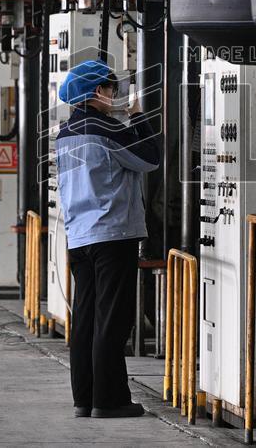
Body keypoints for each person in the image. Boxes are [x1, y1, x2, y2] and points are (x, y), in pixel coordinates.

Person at [55, 59, 159, 419]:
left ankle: (84, 398)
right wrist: (139, 116)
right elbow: (149, 159)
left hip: (79, 237)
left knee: (85, 319)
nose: (116, 95)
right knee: (112, 320)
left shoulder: (65, 132)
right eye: (113, 89)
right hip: (112, 234)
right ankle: (110, 400)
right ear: (99, 91)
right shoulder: (107, 128)